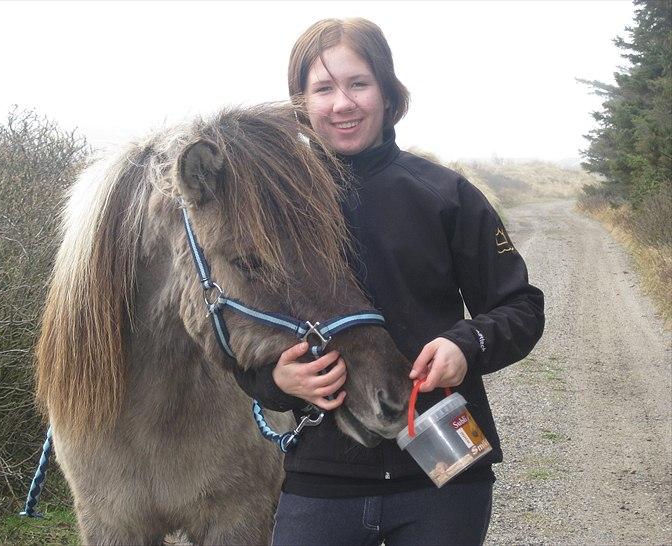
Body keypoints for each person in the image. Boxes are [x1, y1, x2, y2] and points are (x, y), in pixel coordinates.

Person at [233, 17, 545, 546]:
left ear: (387, 91)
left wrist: (465, 344)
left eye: (358, 83)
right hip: (321, 476)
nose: (342, 104)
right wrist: (274, 383)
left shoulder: (445, 194)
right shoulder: (273, 213)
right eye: (323, 89)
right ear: (300, 103)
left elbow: (522, 308)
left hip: (445, 470)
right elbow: (234, 335)